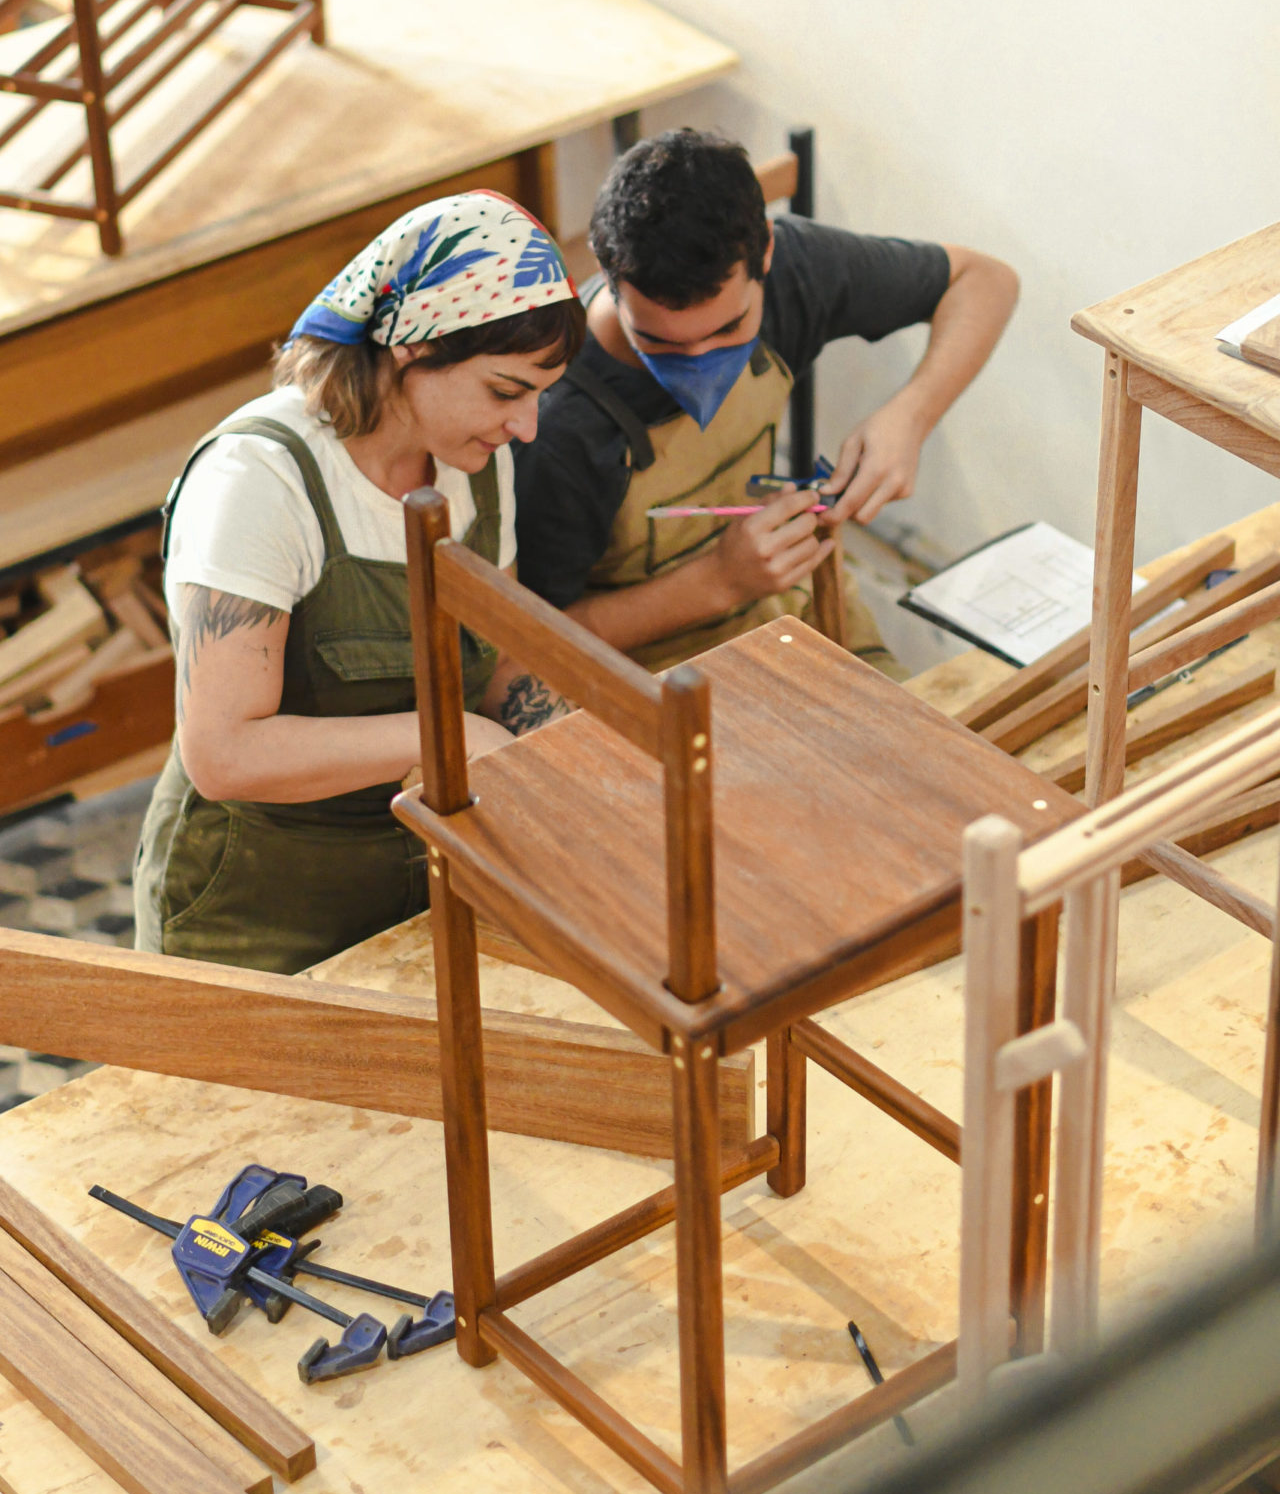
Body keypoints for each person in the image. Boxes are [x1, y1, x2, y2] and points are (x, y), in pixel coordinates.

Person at [133, 191, 584, 974]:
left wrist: (589, 771)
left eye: (539, 396)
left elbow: (502, 658)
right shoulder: (259, 481)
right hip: (254, 912)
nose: (527, 427)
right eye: (507, 391)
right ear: (412, 350)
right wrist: (450, 739)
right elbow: (223, 752)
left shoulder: (479, 463)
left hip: (418, 877)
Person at [514, 129, 1018, 671]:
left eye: (730, 328)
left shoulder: (795, 272)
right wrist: (716, 583)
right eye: (659, 340)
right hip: (640, 669)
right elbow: (528, 647)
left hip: (782, 609)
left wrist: (911, 417)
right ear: (609, 278)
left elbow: (985, 280)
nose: (699, 363)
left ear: (768, 252)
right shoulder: (554, 422)